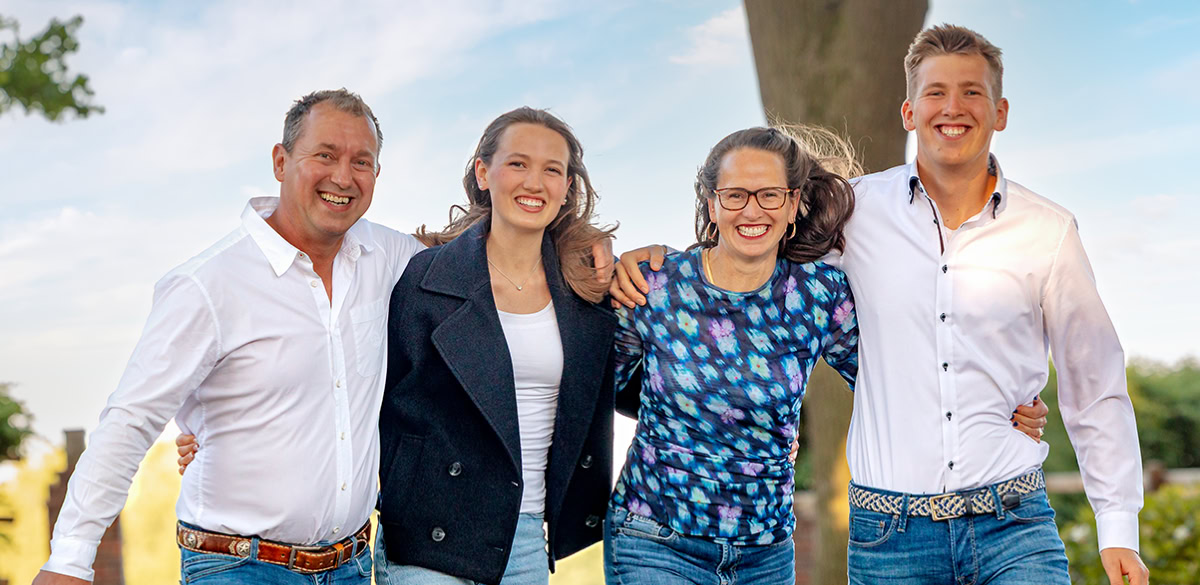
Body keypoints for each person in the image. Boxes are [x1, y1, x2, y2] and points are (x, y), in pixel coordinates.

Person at [614, 24, 1146, 585]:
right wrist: (663, 262)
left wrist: (1117, 526)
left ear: (1001, 111)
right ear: (909, 113)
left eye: (972, 91)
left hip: (1012, 521)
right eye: (936, 92)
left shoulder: (1048, 231)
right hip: (890, 536)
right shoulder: (855, 212)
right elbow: (751, 244)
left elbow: (1096, 381)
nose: (953, 107)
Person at [36, 91, 615, 585]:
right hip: (239, 566)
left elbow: (486, 252)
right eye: (325, 155)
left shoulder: (391, 260)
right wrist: (70, 559)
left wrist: (588, 246)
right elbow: (131, 419)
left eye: (361, 162)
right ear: (280, 160)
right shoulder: (208, 284)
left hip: (350, 565)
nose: (343, 176)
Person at [372, 107, 619, 585]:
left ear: (567, 187)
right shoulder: (423, 275)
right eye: (518, 163)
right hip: (428, 535)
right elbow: (378, 389)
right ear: (483, 173)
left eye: (552, 170)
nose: (535, 182)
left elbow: (630, 382)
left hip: (523, 537)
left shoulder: (587, 286)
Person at [602, 126, 858, 584]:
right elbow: (593, 388)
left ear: (794, 204)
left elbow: (888, 379)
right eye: (735, 195)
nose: (752, 210)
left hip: (766, 553)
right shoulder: (653, 284)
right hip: (655, 539)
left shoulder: (819, 295)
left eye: (770, 195)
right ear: (712, 204)